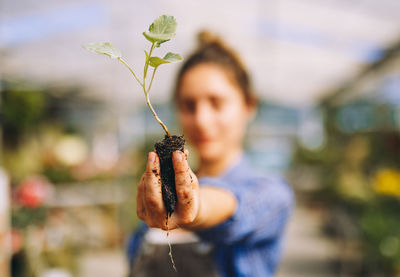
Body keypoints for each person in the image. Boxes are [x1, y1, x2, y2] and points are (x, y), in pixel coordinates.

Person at [127, 31, 294, 277]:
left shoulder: (270, 194)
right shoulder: (162, 197)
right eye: (189, 105)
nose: (202, 121)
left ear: (248, 105)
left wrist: (193, 208)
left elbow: (230, 208)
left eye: (217, 103)